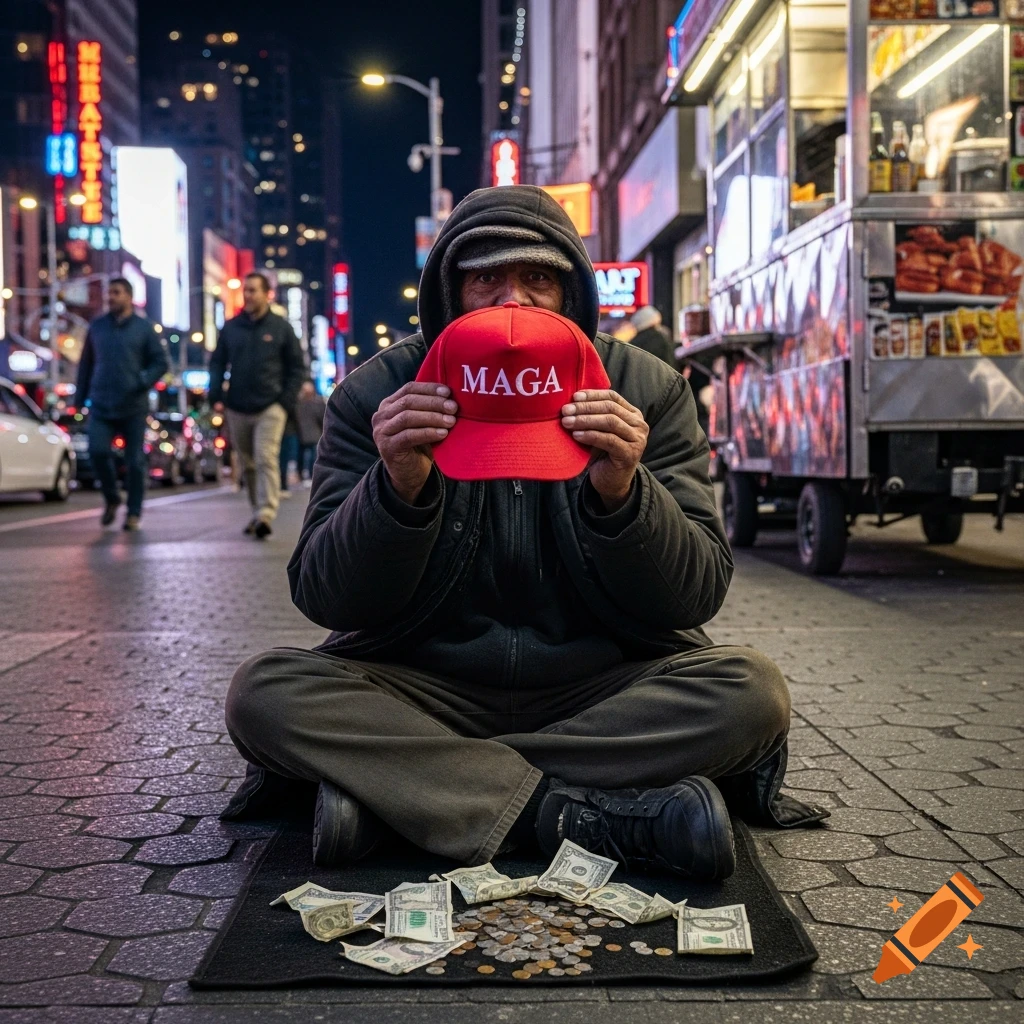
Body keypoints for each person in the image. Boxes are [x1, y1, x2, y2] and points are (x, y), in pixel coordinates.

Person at [224, 186, 826, 877]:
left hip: (599, 686)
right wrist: (395, 488)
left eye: (538, 278)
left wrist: (625, 493)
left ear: (573, 291)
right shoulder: (378, 395)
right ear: (450, 291)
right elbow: (327, 597)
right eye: (487, 279)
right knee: (263, 692)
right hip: (423, 684)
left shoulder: (646, 389)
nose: (514, 302)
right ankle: (575, 812)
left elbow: (693, 598)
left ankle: (414, 799)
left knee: (751, 692)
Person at [209, 272, 305, 539]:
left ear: (267, 294)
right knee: (247, 463)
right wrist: (216, 395)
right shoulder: (230, 327)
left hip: (270, 406)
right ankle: (256, 511)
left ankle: (266, 512)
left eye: (254, 290)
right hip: (237, 405)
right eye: (246, 291)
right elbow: (217, 362)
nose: (249, 295)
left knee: (265, 457)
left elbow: (297, 367)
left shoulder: (281, 327)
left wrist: (285, 401)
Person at [76, 277, 168, 531]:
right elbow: (86, 365)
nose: (111, 297)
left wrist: (142, 380)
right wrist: (79, 400)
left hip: (133, 406)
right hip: (102, 404)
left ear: (128, 296)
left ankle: (134, 512)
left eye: (116, 292)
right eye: (109, 293)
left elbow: (161, 363)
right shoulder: (97, 327)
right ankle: (112, 497)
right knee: (97, 452)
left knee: (135, 461)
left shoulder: (144, 328)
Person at [294, 380, 326, 481]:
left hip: (308, 433)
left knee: (310, 456)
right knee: (308, 456)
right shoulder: (302, 403)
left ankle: (308, 475)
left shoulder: (299, 403)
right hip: (308, 433)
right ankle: (308, 475)